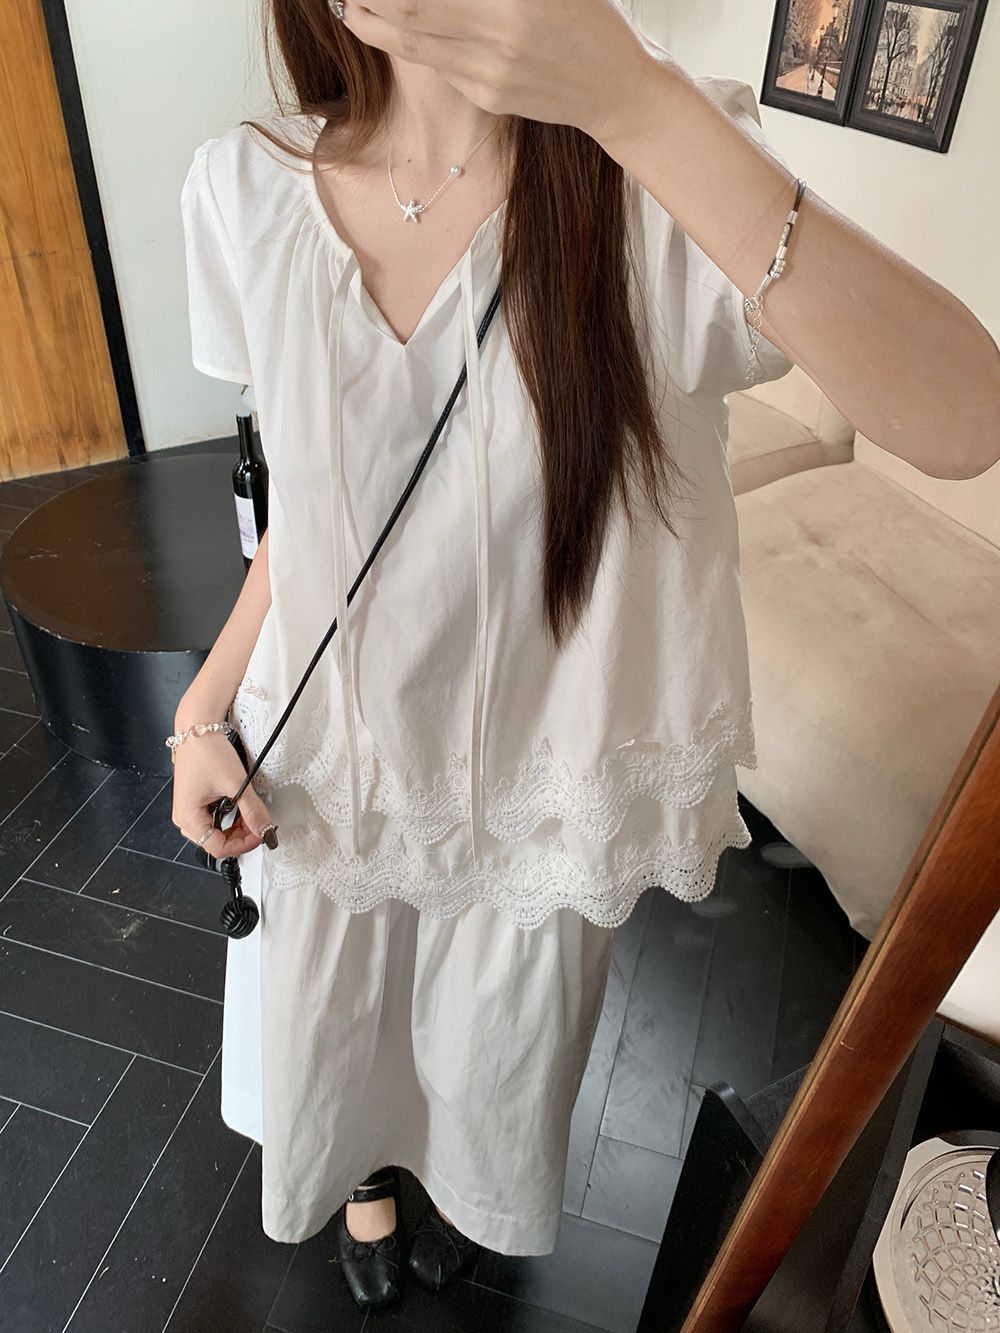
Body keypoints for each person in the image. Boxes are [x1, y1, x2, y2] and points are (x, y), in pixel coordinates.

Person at [170, 0, 999, 1315]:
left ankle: (455, 1196)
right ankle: (367, 1188)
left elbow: (963, 414)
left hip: (536, 795)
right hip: (327, 769)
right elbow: (316, 516)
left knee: (489, 1070)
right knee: (339, 1035)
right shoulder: (245, 189)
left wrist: (629, 97)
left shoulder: (652, 170)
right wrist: (204, 707)